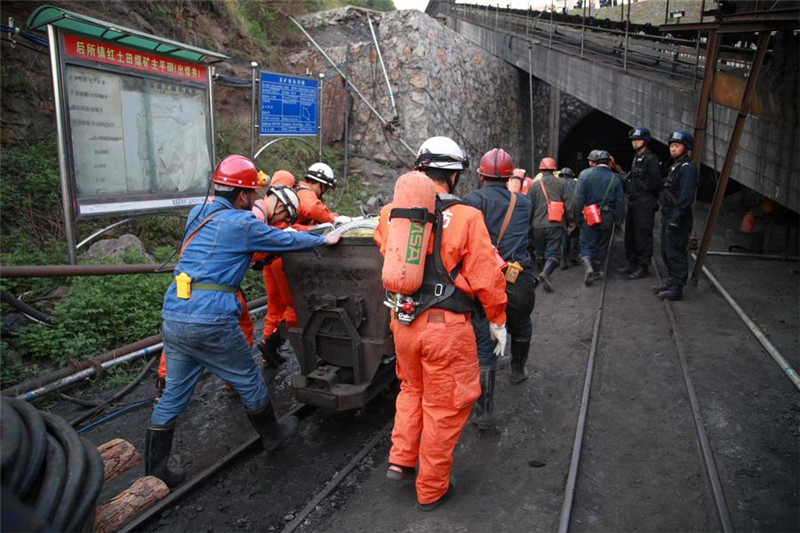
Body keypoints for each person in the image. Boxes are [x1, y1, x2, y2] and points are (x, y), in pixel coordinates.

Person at [146, 155, 340, 487]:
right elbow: (286, 240)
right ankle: (273, 435)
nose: (253, 198)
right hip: (211, 317)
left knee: (175, 394)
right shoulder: (243, 223)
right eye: (251, 193)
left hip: (176, 311)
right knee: (249, 379)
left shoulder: (198, 213)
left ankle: (155, 473)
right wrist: (323, 239)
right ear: (241, 196)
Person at [374, 136, 507, 511]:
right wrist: (497, 319)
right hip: (445, 330)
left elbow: (386, 247)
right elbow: (485, 276)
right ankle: (431, 490)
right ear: (454, 176)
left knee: (411, 389)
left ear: (420, 169)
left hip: (402, 321)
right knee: (444, 407)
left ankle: (401, 458)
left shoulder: (392, 214)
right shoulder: (467, 216)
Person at [464, 148, 536, 429]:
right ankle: (518, 370)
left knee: (484, 341)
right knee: (522, 324)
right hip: (517, 277)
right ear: (509, 177)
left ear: (480, 175)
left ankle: (484, 412)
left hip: (484, 279)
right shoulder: (524, 203)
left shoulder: (471, 200)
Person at [252, 170, 299, 367]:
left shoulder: (261, 210)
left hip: (269, 264)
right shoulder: (270, 213)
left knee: (274, 306)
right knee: (295, 306)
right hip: (282, 261)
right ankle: (272, 343)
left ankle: (266, 347)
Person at [654, 132, 697, 301]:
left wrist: (677, 217)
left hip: (678, 215)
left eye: (677, 145)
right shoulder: (675, 166)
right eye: (671, 145)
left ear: (685, 147)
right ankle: (671, 282)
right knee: (666, 250)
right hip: (668, 213)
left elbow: (686, 196)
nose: (673, 148)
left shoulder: (688, 168)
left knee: (676, 251)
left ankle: (677, 288)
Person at [573, 150, 626, 286]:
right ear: (609, 163)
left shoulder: (584, 175)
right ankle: (596, 270)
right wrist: (619, 221)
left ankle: (587, 265)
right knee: (602, 243)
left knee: (587, 242)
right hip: (608, 216)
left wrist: (577, 217)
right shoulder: (615, 178)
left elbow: (578, 199)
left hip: (590, 214)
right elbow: (620, 202)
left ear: (595, 162)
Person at [617, 127, 662, 279]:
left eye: (638, 140)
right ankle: (632, 262)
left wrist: (648, 196)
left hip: (644, 202)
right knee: (630, 234)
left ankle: (643, 266)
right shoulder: (636, 158)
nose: (635, 143)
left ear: (645, 141)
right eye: (633, 140)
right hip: (634, 201)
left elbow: (656, 183)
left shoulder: (651, 159)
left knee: (643, 235)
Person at [529, 157, 572, 292]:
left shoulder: (534, 185)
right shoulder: (562, 183)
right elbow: (569, 204)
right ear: (554, 170)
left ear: (541, 170)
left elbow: (529, 206)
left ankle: (541, 272)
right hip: (555, 224)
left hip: (537, 225)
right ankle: (545, 273)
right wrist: (571, 220)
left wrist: (529, 225)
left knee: (539, 251)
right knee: (553, 253)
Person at [295, 162, 351, 226]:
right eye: (325, 187)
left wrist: (336, 216)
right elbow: (312, 208)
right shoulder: (305, 194)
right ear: (321, 184)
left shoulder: (300, 190)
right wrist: (334, 219)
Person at [558, 167, 580, 270]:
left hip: (560, 213)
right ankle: (573, 257)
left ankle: (563, 260)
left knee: (563, 237)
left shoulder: (557, 183)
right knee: (575, 234)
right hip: (574, 212)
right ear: (571, 175)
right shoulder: (576, 183)